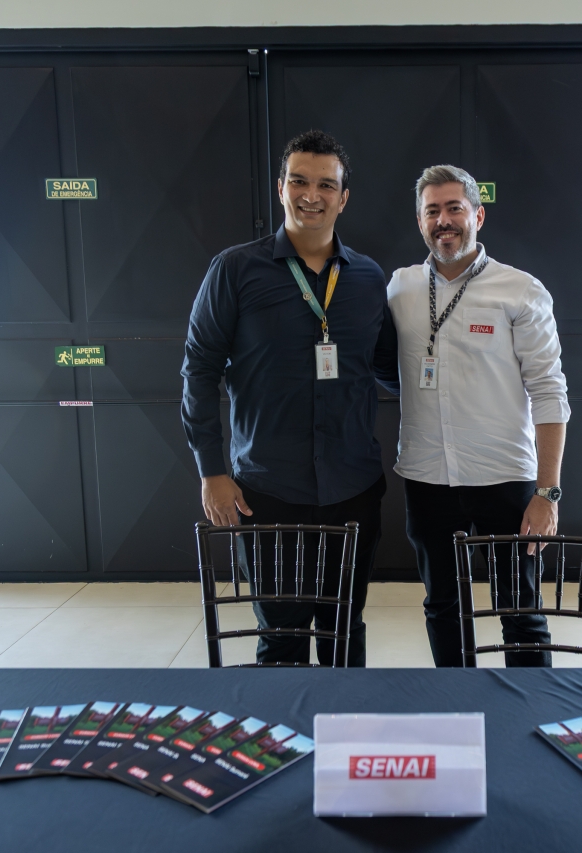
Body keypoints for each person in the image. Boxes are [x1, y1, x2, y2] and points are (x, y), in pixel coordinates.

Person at [181, 130, 399, 666]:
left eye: (327, 185)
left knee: (344, 627)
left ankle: (343, 719)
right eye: (299, 181)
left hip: (352, 488)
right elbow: (199, 371)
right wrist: (212, 472)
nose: (312, 195)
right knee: (281, 635)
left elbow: (390, 369)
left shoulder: (368, 278)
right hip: (267, 490)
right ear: (280, 188)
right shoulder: (234, 270)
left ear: (344, 197)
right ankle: (287, 724)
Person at [387, 165, 570, 668]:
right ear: (420, 221)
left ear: (478, 216)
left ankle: (527, 707)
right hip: (427, 477)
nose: (443, 220)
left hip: (504, 478)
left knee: (521, 610)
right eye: (432, 211)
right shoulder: (400, 288)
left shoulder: (519, 290)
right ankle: (457, 704)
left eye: (454, 208)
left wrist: (547, 493)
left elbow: (550, 392)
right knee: (443, 606)